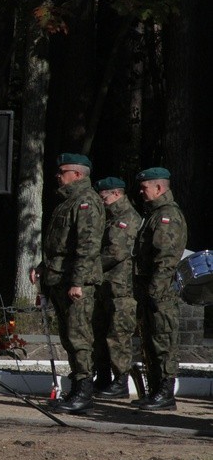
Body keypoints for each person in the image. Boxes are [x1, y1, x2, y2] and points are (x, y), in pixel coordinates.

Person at [30, 153, 105, 414]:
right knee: (69, 337)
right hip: (59, 278)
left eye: (62, 171)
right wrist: (43, 267)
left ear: (77, 175)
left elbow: (87, 246)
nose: (57, 176)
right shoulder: (68, 202)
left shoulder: (86, 202)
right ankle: (76, 390)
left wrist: (78, 282)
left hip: (74, 283)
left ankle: (84, 392)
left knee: (79, 337)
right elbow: (60, 244)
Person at [133, 167, 187, 411]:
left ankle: (165, 393)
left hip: (161, 292)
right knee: (151, 341)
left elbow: (166, 258)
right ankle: (156, 391)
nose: (142, 192)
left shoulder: (167, 215)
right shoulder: (154, 214)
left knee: (163, 340)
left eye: (145, 188)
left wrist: (156, 290)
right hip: (150, 289)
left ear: (159, 188)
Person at [91, 177, 142, 399]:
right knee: (100, 334)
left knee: (118, 335)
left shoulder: (127, 218)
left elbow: (116, 252)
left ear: (116, 194)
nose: (101, 202)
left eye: (103, 198)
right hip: (105, 287)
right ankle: (102, 378)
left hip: (121, 290)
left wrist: (87, 268)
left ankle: (121, 381)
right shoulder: (109, 219)